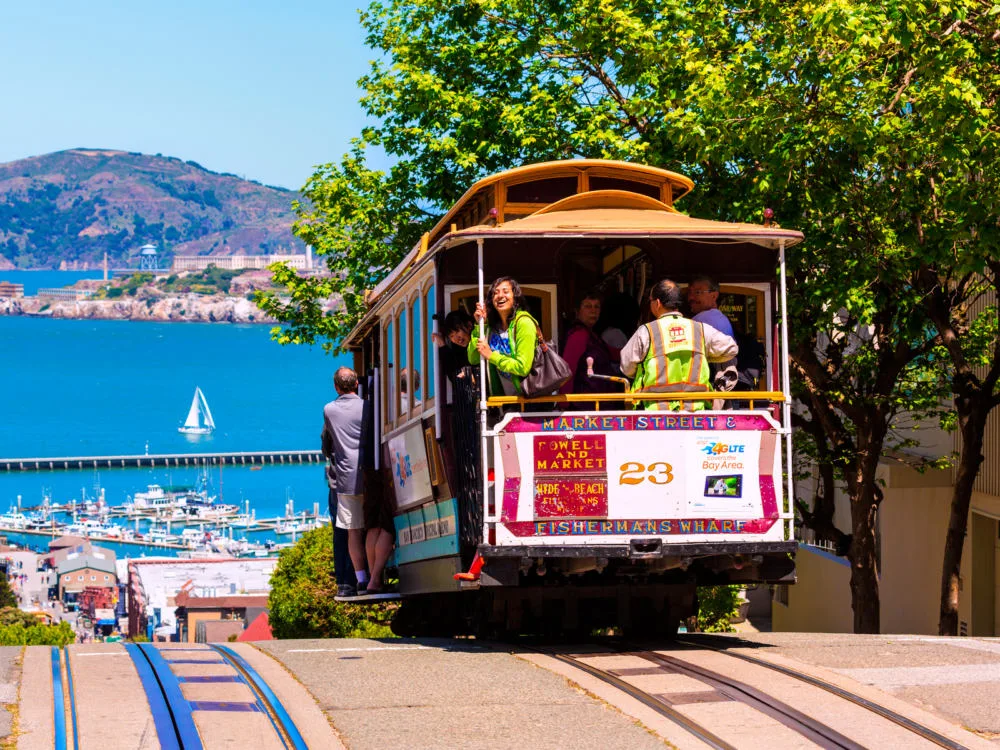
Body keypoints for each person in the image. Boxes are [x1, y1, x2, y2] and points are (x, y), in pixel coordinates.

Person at [620, 279, 738, 411]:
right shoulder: (700, 329)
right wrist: (704, 356)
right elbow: (731, 349)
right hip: (695, 413)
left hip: (656, 414)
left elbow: (626, 367)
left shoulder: (647, 332)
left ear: (657, 303)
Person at [322, 366, 368, 596]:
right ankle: (371, 577)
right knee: (372, 527)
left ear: (336, 387)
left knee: (350, 531)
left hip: (345, 478)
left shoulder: (329, 410)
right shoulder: (368, 407)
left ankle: (353, 581)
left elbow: (326, 444)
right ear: (357, 384)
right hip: (371, 475)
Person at [467, 276, 538, 396]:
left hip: (529, 401)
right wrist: (481, 325)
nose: (500, 296)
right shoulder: (492, 328)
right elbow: (473, 358)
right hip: (503, 403)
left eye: (506, 291)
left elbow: (523, 367)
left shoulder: (524, 323)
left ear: (515, 297)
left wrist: (491, 355)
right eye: (495, 293)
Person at [559, 291, 621, 403]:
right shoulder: (578, 335)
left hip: (597, 402)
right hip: (584, 405)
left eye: (596, 307)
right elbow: (568, 370)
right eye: (588, 306)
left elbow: (613, 353)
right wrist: (564, 402)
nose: (593, 310)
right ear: (577, 311)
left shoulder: (592, 335)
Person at [432, 310, 474, 383]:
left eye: (457, 331)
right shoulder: (459, 352)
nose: (456, 338)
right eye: (451, 336)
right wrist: (442, 345)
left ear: (469, 325)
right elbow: (453, 375)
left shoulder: (480, 342)